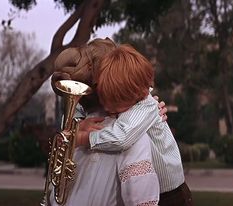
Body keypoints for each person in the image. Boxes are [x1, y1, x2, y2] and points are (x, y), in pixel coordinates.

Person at [47, 38, 166, 206]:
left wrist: (77, 135)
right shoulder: (128, 133)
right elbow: (141, 197)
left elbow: (54, 195)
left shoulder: (75, 132)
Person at [76, 44, 193, 206]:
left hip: (170, 193)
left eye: (113, 102)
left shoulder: (147, 106)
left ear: (133, 94)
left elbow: (121, 137)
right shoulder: (130, 99)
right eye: (103, 99)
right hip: (155, 187)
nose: (106, 107)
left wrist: (84, 138)